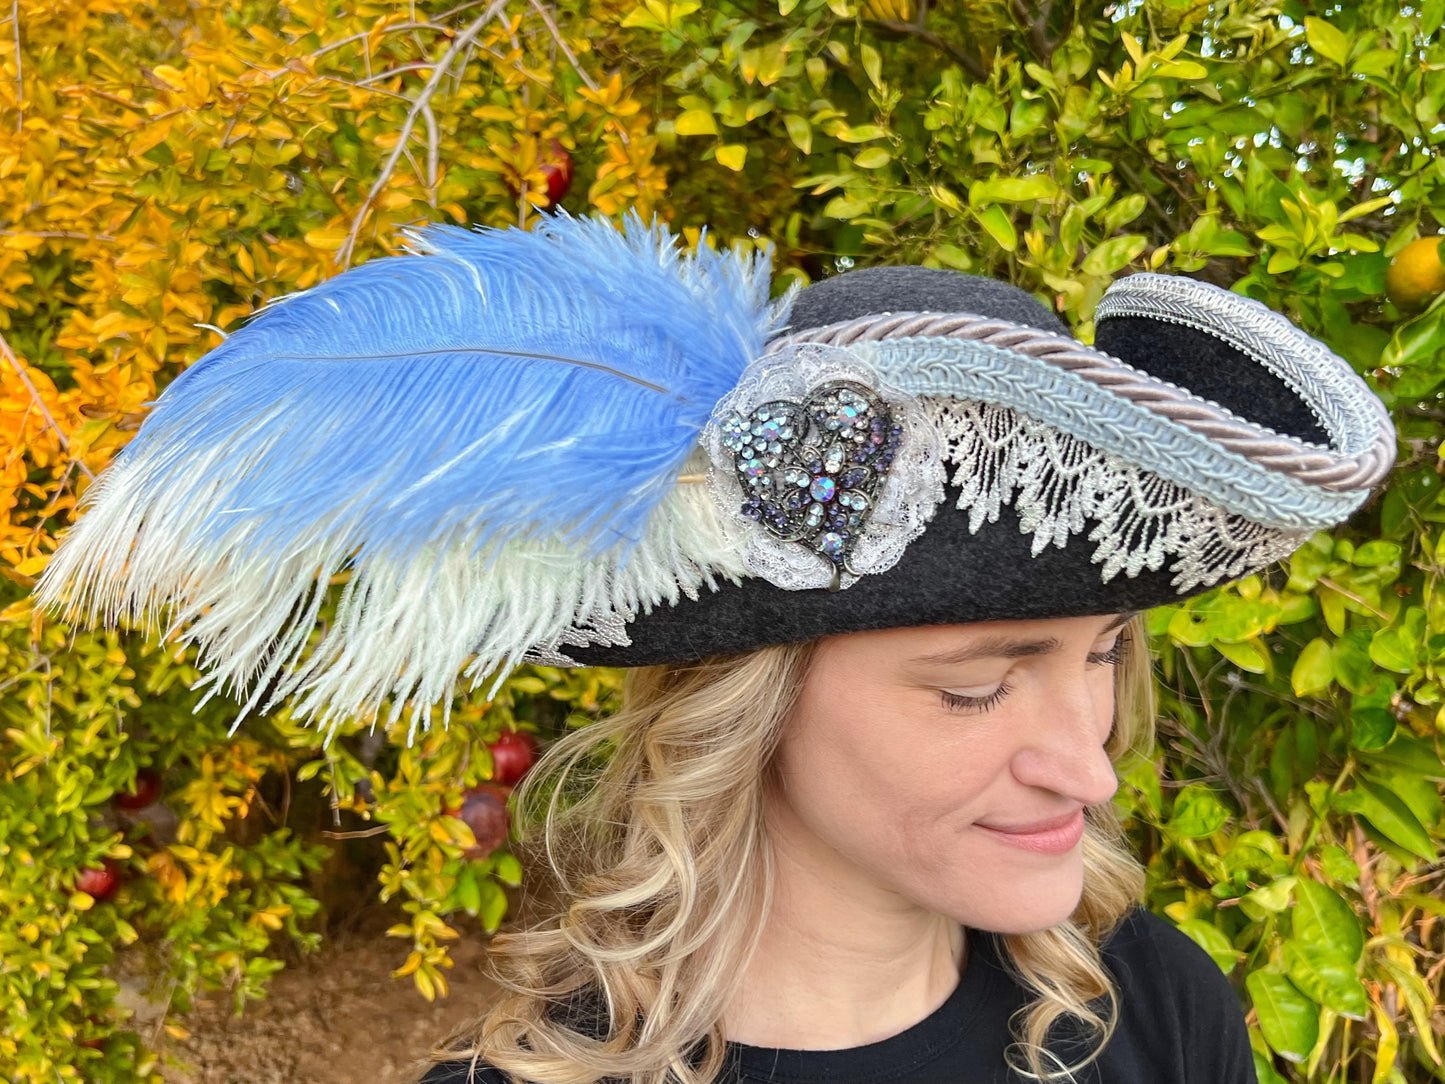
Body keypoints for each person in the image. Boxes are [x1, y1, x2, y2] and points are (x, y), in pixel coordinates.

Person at [37, 215, 1395, 1083]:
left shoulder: (1150, 1009)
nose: (1086, 769)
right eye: (975, 686)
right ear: (748, 703)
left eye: (1099, 657)